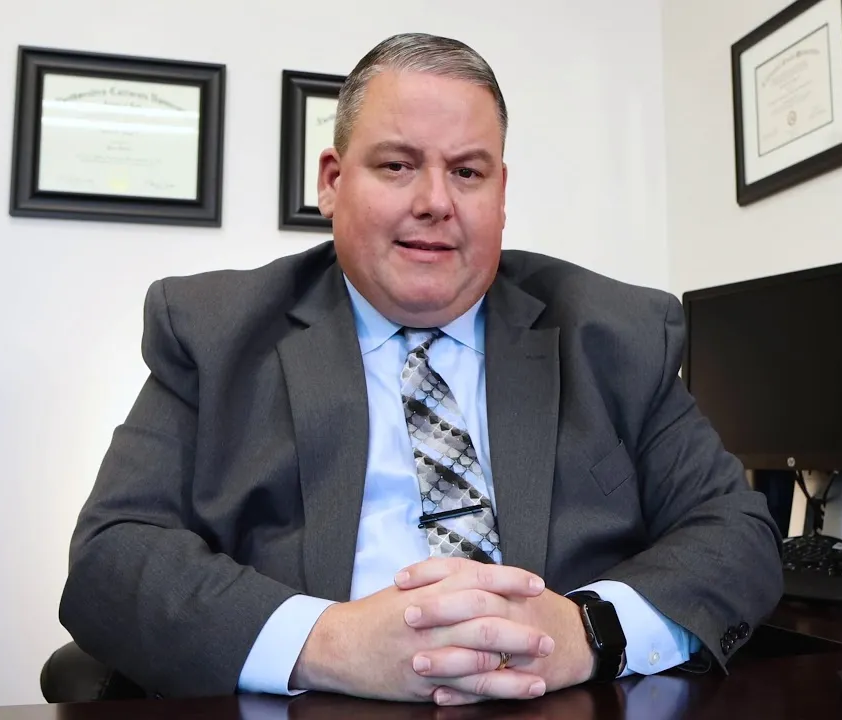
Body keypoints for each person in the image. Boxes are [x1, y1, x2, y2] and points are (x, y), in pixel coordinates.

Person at [58, 32, 782, 707]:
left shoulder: (616, 333)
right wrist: (325, 643)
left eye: (467, 172)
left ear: (500, 195)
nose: (435, 202)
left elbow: (735, 536)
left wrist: (589, 631)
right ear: (334, 182)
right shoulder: (215, 332)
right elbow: (112, 559)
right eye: (397, 165)